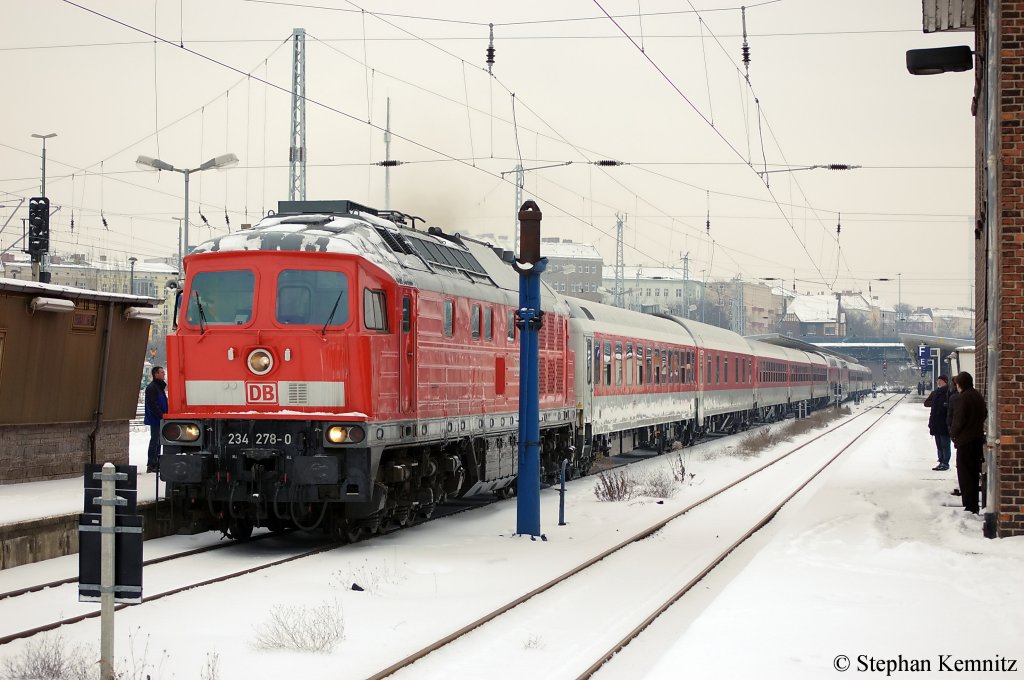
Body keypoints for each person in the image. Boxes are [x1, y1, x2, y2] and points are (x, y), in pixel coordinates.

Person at [949, 371, 988, 514]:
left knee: (965, 474)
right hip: (976, 439)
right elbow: (985, 413)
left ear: (960, 384)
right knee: (973, 473)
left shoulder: (963, 398)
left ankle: (970, 506)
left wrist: (953, 434)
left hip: (965, 442)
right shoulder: (977, 395)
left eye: (957, 384)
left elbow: (958, 420)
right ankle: (973, 505)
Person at [923, 375, 951, 471]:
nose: (938, 382)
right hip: (936, 422)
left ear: (945, 382)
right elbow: (926, 403)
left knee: (945, 444)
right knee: (939, 444)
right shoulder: (935, 393)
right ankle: (941, 461)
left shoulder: (948, 393)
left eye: (940, 381)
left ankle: (945, 463)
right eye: (937, 381)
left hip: (944, 423)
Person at [144, 366, 168, 473]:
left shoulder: (159, 387)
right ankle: (151, 464)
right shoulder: (152, 388)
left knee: (158, 441)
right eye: (162, 372)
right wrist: (161, 414)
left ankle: (156, 463)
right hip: (155, 419)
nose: (164, 374)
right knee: (155, 440)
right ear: (156, 374)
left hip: (160, 418)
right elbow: (153, 404)